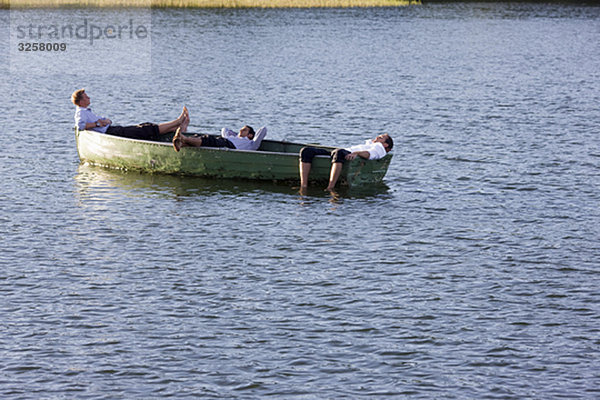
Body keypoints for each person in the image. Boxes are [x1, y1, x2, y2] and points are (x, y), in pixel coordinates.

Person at [72, 88, 189, 141]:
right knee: (146, 129)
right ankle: (178, 123)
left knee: (146, 127)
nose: (89, 98)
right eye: (86, 97)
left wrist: (105, 121)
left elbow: (101, 121)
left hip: (113, 129)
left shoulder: (86, 111)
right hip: (111, 133)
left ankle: (178, 129)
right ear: (81, 101)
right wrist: (98, 123)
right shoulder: (81, 112)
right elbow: (80, 126)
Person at [299, 134, 393, 191]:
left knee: (339, 152)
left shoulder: (379, 148)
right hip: (343, 151)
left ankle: (330, 187)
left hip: (346, 153)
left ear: (385, 144)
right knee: (306, 151)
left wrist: (356, 153)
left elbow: (369, 154)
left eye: (380, 137)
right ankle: (304, 186)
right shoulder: (370, 144)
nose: (377, 137)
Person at [172, 125, 267, 152]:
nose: (241, 130)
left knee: (208, 141)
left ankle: (183, 139)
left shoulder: (251, 144)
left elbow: (263, 129)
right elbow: (224, 130)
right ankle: (180, 143)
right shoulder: (234, 137)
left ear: (250, 135)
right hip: (223, 140)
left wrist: (252, 137)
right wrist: (237, 134)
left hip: (229, 145)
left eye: (244, 130)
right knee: (201, 137)